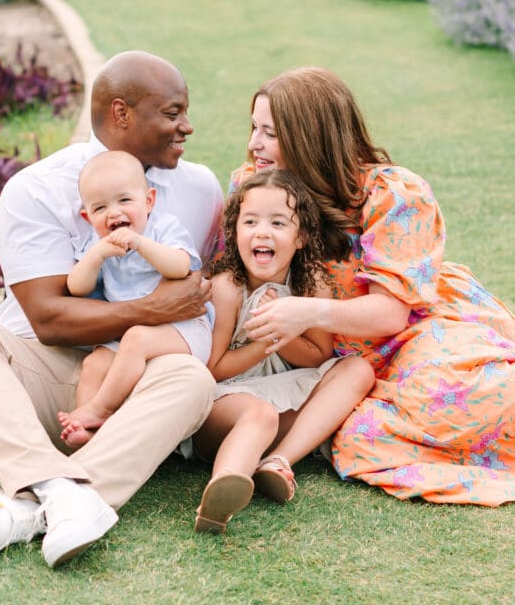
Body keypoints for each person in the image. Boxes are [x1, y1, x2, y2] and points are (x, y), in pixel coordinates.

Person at [0, 51, 223, 567]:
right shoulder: (37, 188)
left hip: (133, 387)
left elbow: (202, 289)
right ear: (121, 113)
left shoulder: (200, 188)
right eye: (172, 113)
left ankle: (38, 503)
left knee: (192, 379)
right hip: (36, 388)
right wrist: (152, 309)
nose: (187, 126)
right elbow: (48, 319)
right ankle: (66, 492)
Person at [231, 66, 515, 506]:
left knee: (468, 394)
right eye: (254, 128)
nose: (254, 143)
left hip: (409, 332)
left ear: (310, 137)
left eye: (269, 133)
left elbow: (390, 315)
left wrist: (305, 312)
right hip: (326, 354)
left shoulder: (391, 193)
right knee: (358, 432)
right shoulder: (253, 185)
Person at [193, 170, 374, 533]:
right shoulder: (228, 288)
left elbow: (319, 357)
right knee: (259, 413)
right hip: (226, 405)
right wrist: (263, 343)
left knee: (358, 370)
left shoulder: (312, 283)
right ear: (235, 233)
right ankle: (222, 491)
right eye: (250, 222)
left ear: (301, 236)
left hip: (284, 400)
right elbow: (212, 369)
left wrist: (285, 332)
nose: (262, 232)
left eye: (277, 223)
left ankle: (278, 461)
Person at [57, 149, 213, 449]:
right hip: (130, 336)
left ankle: (100, 409)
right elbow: (77, 287)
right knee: (94, 363)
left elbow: (180, 266)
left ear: (149, 201)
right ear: (88, 217)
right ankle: (87, 430)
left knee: (136, 338)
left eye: (125, 200)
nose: (114, 213)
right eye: (100, 207)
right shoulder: (97, 244)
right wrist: (97, 255)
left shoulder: (163, 229)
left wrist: (140, 243)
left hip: (183, 330)